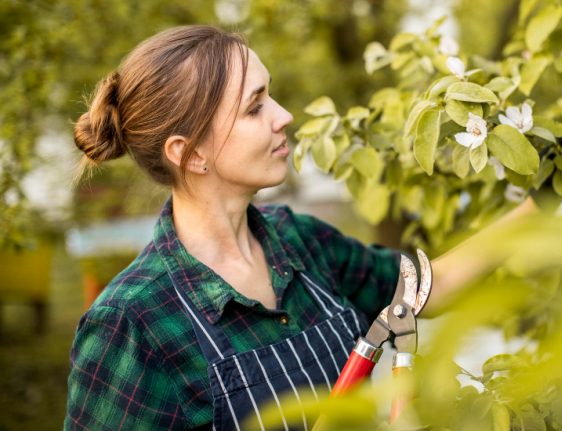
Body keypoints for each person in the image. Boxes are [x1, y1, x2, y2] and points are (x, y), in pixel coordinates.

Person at [65, 25, 537, 431]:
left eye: (269, 95)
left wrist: (539, 210)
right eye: (255, 108)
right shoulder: (131, 324)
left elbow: (422, 291)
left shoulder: (300, 240)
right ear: (190, 154)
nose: (284, 116)